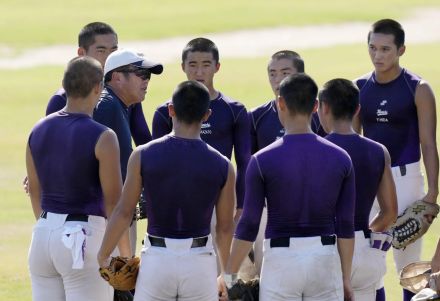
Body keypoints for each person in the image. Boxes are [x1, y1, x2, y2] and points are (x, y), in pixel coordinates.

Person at [97, 80, 235, 301]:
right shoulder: (223, 165)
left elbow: (124, 211)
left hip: (156, 259)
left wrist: (103, 255)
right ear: (207, 115)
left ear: (170, 110)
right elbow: (225, 228)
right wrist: (227, 275)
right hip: (200, 261)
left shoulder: (143, 154)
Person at [223, 73, 356, 301]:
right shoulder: (341, 158)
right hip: (325, 259)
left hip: (280, 261)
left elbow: (250, 223)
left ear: (280, 103)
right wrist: (344, 279)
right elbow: (345, 224)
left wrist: (228, 275)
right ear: (315, 106)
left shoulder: (261, 160)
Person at [26, 56, 130, 301]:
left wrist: (51, 229)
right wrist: (124, 254)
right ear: (98, 88)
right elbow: (114, 205)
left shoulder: (37, 129)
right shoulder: (103, 136)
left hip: (42, 236)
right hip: (83, 239)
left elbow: (34, 190)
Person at [354, 18, 439, 301]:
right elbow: (353, 143)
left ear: (401, 50)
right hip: (368, 181)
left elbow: (428, 144)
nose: (378, 55)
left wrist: (432, 193)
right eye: (373, 48)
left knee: (409, 267)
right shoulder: (359, 88)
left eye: (385, 49)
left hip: (407, 178)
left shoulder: (419, 88)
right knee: (367, 263)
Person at [152, 37, 250, 222]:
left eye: (206, 65)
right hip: (177, 202)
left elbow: (244, 162)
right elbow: (158, 164)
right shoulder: (165, 112)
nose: (199, 72)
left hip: (221, 200)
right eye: (193, 65)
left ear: (217, 67)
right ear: (183, 67)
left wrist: (241, 206)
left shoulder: (235, 110)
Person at [318, 78, 398, 301]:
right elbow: (390, 212)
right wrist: (363, 235)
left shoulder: (316, 149)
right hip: (364, 253)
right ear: (357, 109)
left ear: (324, 108)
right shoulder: (379, 151)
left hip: (324, 251)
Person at [248, 50, 326, 276]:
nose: (277, 79)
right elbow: (249, 164)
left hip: (309, 206)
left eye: (284, 72)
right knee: (264, 273)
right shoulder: (256, 116)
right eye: (272, 73)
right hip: (266, 208)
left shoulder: (318, 115)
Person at [93, 48, 163, 256]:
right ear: (116, 78)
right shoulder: (108, 106)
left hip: (115, 214)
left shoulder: (119, 106)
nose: (146, 81)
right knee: (116, 281)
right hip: (108, 216)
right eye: (141, 74)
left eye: (148, 76)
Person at [46, 21, 151, 145]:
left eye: (113, 50)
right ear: (81, 53)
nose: (109, 57)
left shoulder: (124, 89)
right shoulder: (61, 99)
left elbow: (144, 140)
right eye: (101, 51)